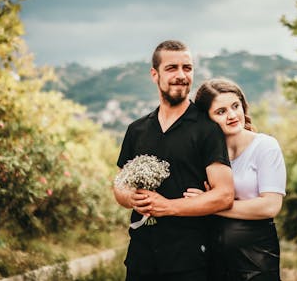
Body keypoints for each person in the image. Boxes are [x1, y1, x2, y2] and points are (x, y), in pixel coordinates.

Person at [113, 40, 235, 281]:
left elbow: (224, 195)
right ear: (154, 74)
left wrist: (168, 207)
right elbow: (118, 186)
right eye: (172, 68)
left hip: (191, 261)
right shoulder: (136, 130)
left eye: (187, 68)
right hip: (141, 258)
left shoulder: (207, 129)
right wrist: (130, 198)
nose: (181, 75)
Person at [187, 78, 287, 281]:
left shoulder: (265, 146)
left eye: (235, 106)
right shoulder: (203, 157)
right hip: (213, 256)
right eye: (221, 112)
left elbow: (270, 206)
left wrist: (212, 204)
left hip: (257, 256)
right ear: (206, 119)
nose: (232, 115)